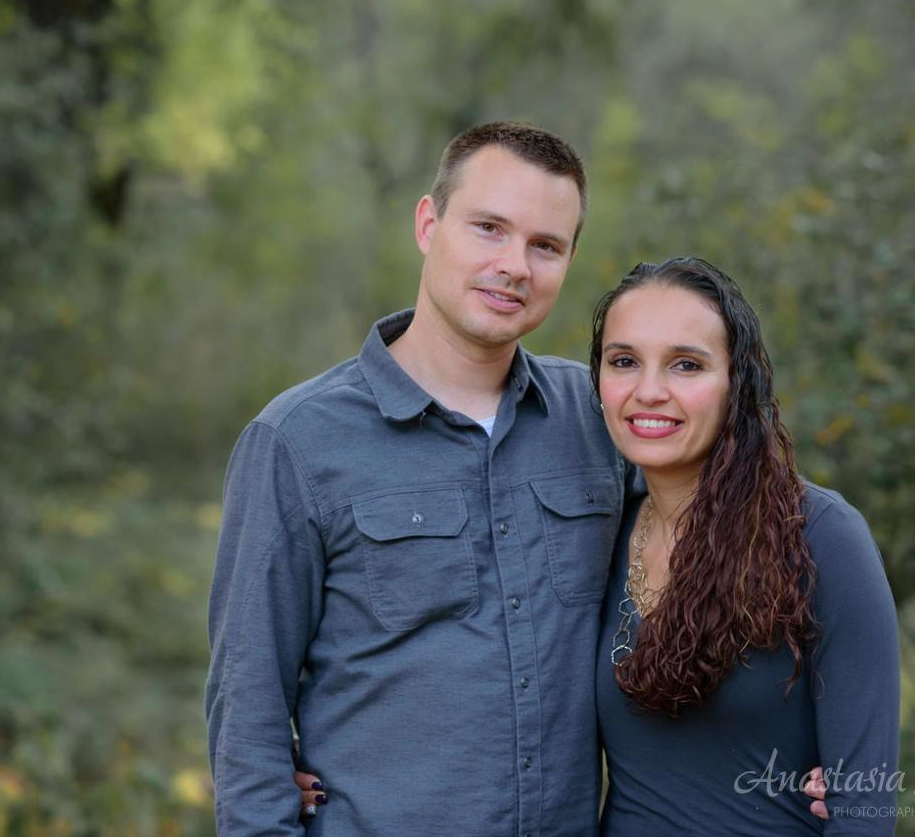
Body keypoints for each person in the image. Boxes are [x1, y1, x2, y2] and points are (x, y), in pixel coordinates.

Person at [206, 122, 628, 836]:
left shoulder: (599, 419)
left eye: (545, 245)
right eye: (489, 228)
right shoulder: (298, 441)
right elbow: (246, 712)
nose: (515, 265)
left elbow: (705, 573)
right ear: (429, 224)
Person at [590, 257, 900, 834]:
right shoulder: (598, 531)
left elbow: (866, 809)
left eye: (686, 364)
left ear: (737, 382)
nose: (649, 391)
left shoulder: (821, 537)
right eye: (624, 361)